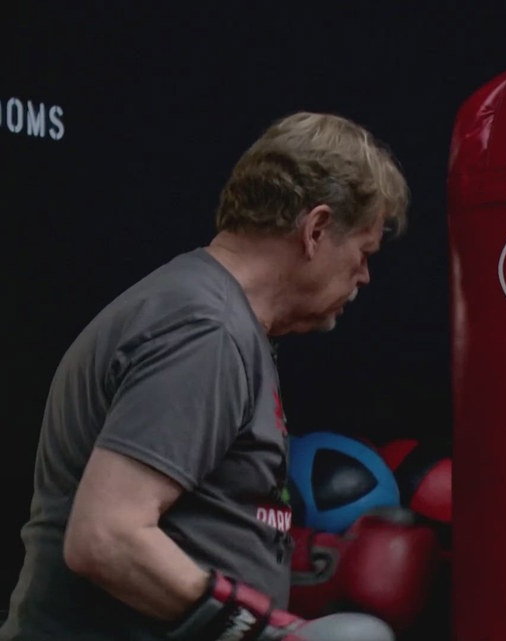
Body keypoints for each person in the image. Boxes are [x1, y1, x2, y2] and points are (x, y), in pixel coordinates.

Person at [0, 112, 410, 641]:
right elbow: (106, 536)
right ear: (316, 230)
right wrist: (265, 631)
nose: (364, 276)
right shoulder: (205, 329)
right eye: (363, 252)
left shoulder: (217, 316)